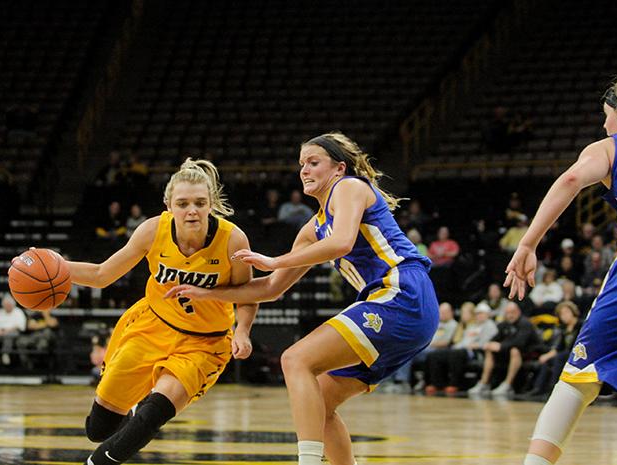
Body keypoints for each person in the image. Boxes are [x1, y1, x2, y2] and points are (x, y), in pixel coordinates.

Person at [166, 132, 439, 465]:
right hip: (403, 311)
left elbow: (342, 243)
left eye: (313, 162)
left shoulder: (349, 187)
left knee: (295, 360)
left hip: (403, 293)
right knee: (318, 404)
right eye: (301, 165)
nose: (305, 170)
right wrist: (209, 293)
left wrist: (276, 259)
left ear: (339, 168)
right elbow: (271, 288)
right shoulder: (312, 229)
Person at [503, 75, 617, 465]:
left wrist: (529, 243)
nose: (603, 124)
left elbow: (570, 179)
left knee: (578, 378)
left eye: (605, 116)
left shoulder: (615, 145)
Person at [59, 158, 258, 465]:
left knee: (155, 412)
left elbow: (249, 294)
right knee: (98, 428)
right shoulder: (153, 230)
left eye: (199, 203)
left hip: (203, 342)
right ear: (168, 205)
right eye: (182, 203)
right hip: (152, 326)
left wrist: (243, 331)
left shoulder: (233, 240)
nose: (191, 210)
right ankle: (133, 421)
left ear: (211, 204)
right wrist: (55, 266)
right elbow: (102, 274)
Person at [467, 301, 541, 397]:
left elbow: (520, 343)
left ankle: (507, 385)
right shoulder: (504, 324)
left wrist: (501, 346)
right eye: (507, 313)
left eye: (512, 312)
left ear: (518, 311)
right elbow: (495, 339)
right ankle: (484, 383)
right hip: (508, 353)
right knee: (490, 348)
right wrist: (489, 344)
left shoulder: (525, 324)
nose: (510, 315)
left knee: (515, 350)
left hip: (530, 353)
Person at [0, 294, 26, 366]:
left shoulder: (18, 312)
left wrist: (8, 330)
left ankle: (6, 355)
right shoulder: (0, 312)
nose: (7, 306)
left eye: (9, 305)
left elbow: (21, 325)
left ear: (13, 304)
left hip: (12, 331)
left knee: (9, 335)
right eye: (5, 305)